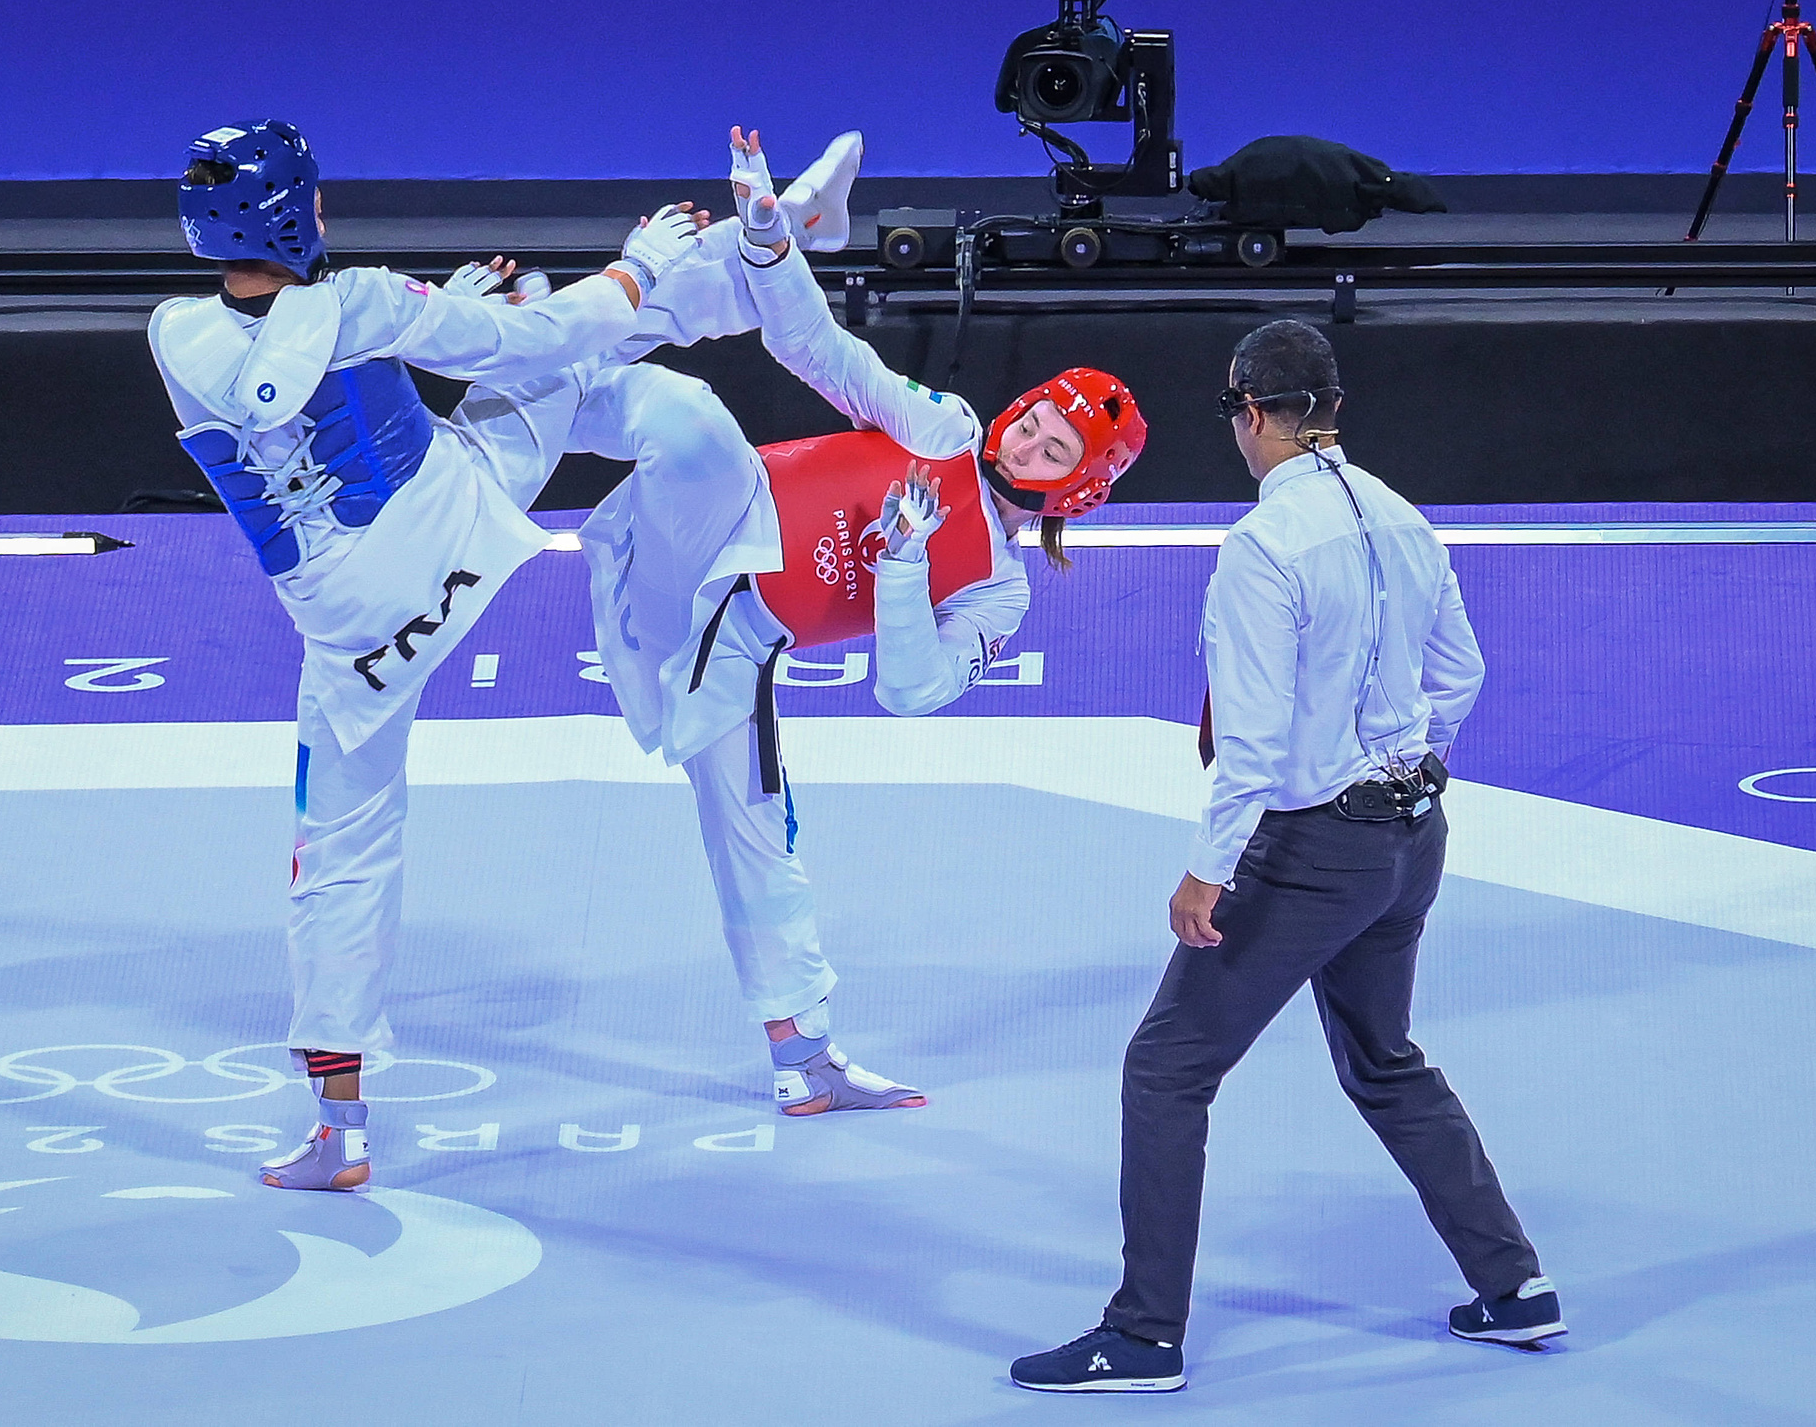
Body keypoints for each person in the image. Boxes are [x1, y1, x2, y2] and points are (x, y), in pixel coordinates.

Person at [147, 119, 707, 1191]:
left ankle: (339, 1131)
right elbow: (531, 341)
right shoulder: (361, 298)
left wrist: (428, 308)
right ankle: (697, 274)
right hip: (456, 533)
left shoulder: (174, 333)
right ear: (289, 212)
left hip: (347, 624)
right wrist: (632, 269)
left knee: (337, 854)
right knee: (549, 352)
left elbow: (281, 376)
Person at [1010, 320, 1559, 1394]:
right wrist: (1410, 762)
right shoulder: (1401, 517)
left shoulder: (1262, 549)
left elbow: (1254, 743)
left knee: (1166, 1068)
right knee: (1383, 1058)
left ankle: (1143, 1335)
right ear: (1329, 409)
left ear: (1251, 412)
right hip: (1411, 838)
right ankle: (1512, 1287)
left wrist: (1207, 869)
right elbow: (1464, 671)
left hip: (1314, 852)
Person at [552, 127, 1147, 1114]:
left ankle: (806, 1060)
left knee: (758, 840)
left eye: (1053, 447)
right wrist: (770, 254)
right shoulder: (945, 426)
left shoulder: (1001, 593)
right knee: (682, 409)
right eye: (1037, 416)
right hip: (710, 518)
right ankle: (754, 250)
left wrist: (907, 568)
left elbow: (908, 690)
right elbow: (820, 351)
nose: (1029, 435)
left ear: (1074, 490)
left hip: (724, 641)